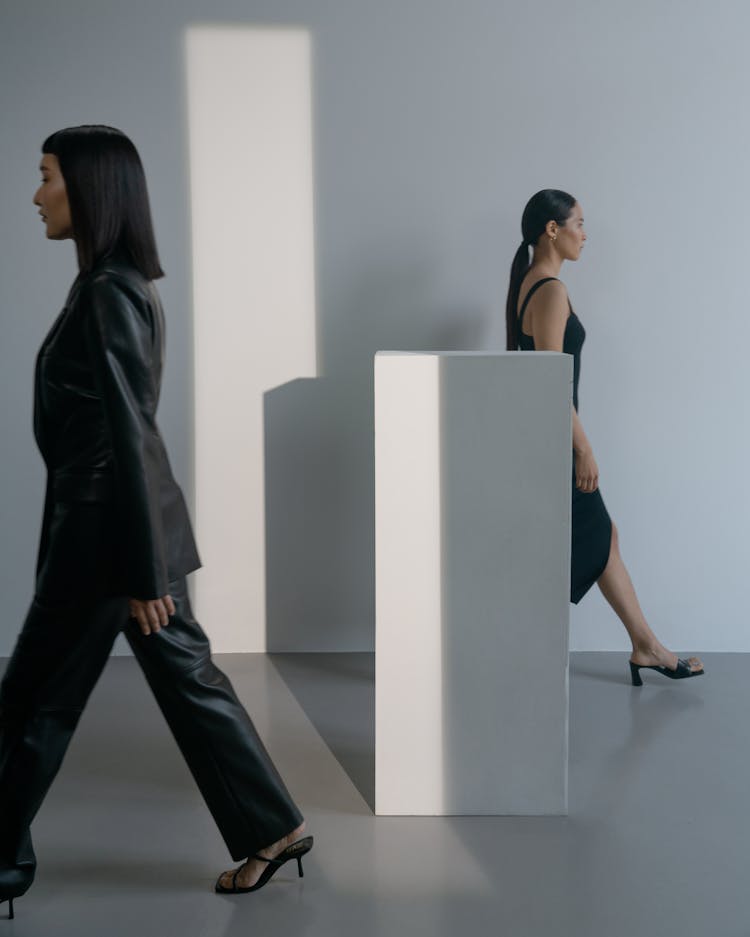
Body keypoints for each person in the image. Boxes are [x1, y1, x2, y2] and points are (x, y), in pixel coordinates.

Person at [0, 125, 311, 920]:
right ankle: (273, 827)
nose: (34, 194)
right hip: (121, 527)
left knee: (33, 697)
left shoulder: (109, 289)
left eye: (45, 177)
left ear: (88, 187)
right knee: (186, 677)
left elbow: (131, 431)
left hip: (108, 535)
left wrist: (141, 572)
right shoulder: (112, 282)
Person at [506, 189, 704, 687]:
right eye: (579, 223)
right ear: (553, 230)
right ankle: (643, 646)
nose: (585, 234)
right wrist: (583, 449)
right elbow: (554, 383)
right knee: (592, 539)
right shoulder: (548, 290)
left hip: (545, 438)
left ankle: (644, 645)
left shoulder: (531, 284)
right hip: (556, 442)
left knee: (601, 536)